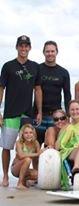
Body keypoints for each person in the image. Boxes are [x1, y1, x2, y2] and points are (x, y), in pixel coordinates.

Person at [0, 35, 42, 187]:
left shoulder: (35, 67)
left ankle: (25, 176)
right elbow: (1, 88)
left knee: (29, 145)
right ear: (16, 47)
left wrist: (40, 111)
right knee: (7, 146)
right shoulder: (8, 66)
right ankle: (5, 176)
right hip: (10, 113)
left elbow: (37, 89)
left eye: (26, 46)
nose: (23, 48)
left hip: (27, 114)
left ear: (30, 48)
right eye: (21, 46)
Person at [34, 40, 71, 145]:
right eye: (47, 51)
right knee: (35, 147)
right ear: (43, 52)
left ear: (56, 52)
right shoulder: (37, 69)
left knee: (51, 149)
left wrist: (68, 115)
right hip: (38, 115)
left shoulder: (63, 72)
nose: (50, 53)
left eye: (52, 51)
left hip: (55, 117)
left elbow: (67, 94)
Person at [11, 124, 41, 189]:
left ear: (33, 133)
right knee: (27, 159)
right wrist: (36, 154)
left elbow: (39, 156)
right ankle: (19, 183)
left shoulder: (36, 143)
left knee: (38, 175)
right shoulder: (19, 142)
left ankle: (24, 180)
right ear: (22, 134)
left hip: (25, 169)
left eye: (31, 133)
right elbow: (21, 155)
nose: (28, 135)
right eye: (26, 133)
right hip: (15, 168)